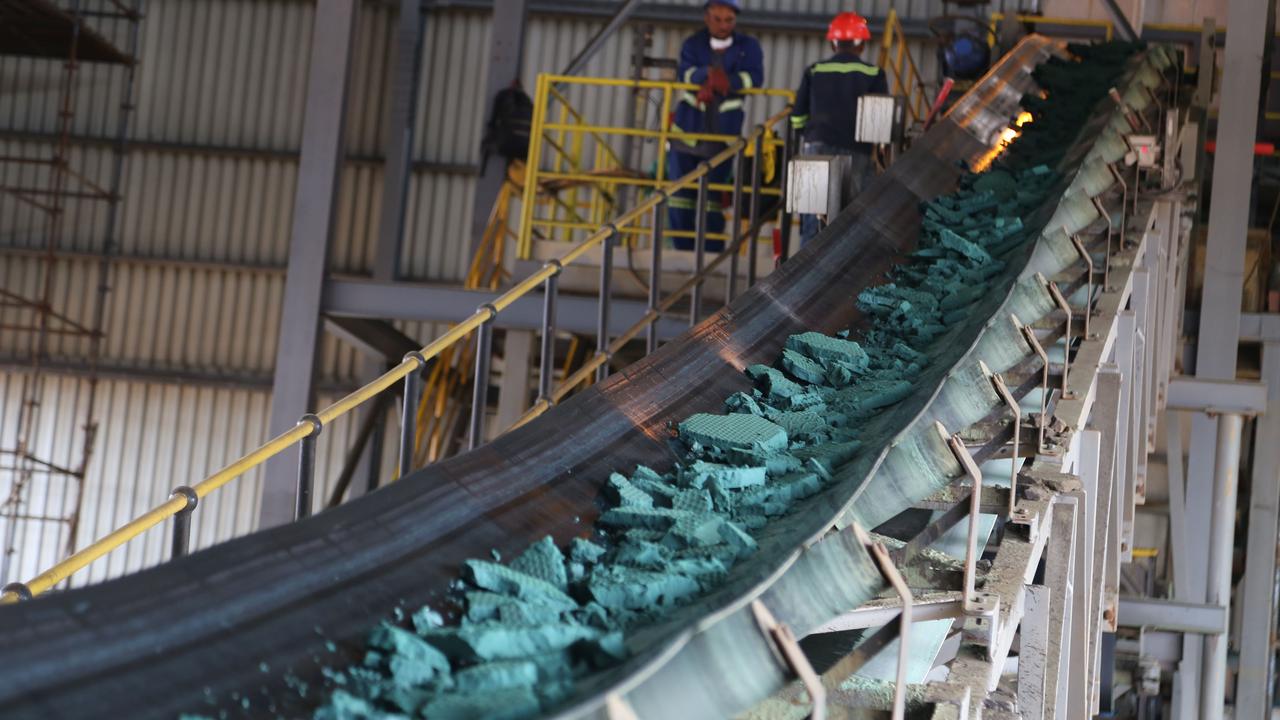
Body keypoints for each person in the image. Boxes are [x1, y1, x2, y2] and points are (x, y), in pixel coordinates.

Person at [667, 0, 764, 252]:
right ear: (707, 18)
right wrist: (706, 75)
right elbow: (685, 74)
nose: (723, 25)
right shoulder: (693, 44)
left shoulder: (748, 47)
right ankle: (683, 250)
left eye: (728, 20)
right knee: (681, 197)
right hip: (687, 133)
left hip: (723, 135)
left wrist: (728, 81)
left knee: (713, 198)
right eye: (717, 19)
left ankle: (710, 252)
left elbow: (755, 77)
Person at [791, 11, 888, 245]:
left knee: (813, 219)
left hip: (815, 149)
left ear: (833, 42)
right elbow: (881, 126)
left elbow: (797, 118)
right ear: (862, 44)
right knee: (853, 221)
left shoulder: (814, 71)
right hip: (858, 153)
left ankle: (803, 276)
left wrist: (811, 137)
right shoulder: (874, 74)